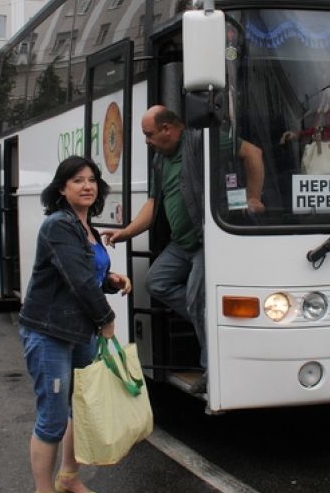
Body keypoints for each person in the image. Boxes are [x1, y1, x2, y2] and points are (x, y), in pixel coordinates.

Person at [104, 105, 264, 393]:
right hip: (182, 244)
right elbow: (153, 205)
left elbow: (253, 153)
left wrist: (254, 197)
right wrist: (126, 232)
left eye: (148, 134)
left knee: (195, 298)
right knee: (156, 282)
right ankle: (208, 315)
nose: (146, 141)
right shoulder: (161, 161)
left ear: (168, 128)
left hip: (206, 241)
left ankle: (210, 371)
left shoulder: (202, 140)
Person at [19, 156, 132, 493]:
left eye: (92, 179)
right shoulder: (58, 226)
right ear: (62, 188)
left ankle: (68, 477)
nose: (87, 185)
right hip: (50, 331)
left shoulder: (87, 227)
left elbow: (88, 276)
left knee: (81, 408)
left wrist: (110, 279)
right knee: (53, 416)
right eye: (77, 180)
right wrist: (107, 319)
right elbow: (77, 281)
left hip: (79, 329)